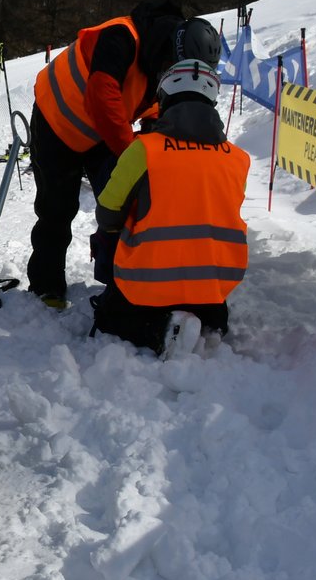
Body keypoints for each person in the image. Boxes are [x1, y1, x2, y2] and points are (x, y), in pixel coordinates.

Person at [89, 37, 250, 354]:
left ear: (164, 99)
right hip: (214, 289)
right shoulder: (237, 158)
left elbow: (107, 212)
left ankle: (161, 330)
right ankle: (206, 324)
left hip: (146, 286)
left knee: (111, 315)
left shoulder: (144, 151)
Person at [26, 0, 187, 308]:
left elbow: (152, 107)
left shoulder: (158, 60)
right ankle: (47, 285)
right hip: (56, 122)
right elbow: (103, 95)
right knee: (57, 208)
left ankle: (125, 280)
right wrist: (131, 155)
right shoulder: (121, 36)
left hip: (100, 133)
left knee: (123, 203)